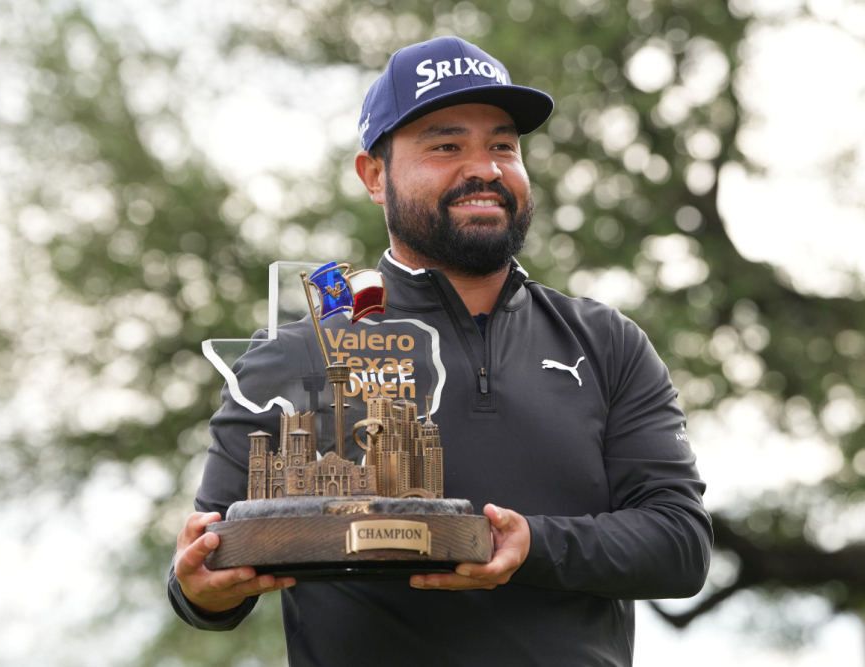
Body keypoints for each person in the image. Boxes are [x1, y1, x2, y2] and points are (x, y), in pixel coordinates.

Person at [168, 36, 712, 666]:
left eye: (502, 145)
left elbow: (681, 545)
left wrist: (528, 546)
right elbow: (209, 571)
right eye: (446, 145)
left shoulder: (607, 341)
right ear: (374, 175)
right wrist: (201, 590)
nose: (484, 169)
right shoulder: (290, 356)